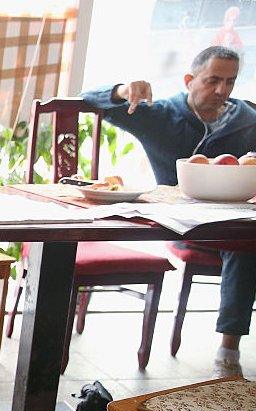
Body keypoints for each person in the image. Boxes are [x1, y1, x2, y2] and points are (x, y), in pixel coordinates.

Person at [82, 46, 256, 376]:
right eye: (213, 80)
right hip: (182, 225)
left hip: (235, 224)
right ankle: (229, 355)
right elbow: (89, 98)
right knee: (247, 247)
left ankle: (227, 348)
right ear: (190, 79)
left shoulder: (247, 119)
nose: (222, 91)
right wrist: (123, 90)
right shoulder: (161, 115)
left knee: (246, 241)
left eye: (230, 82)